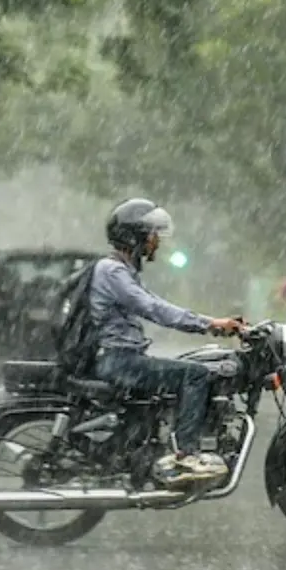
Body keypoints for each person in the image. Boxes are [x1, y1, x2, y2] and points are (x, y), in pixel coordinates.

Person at [87, 198, 245, 486]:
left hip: (120, 357)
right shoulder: (111, 271)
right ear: (133, 236)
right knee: (195, 374)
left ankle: (157, 448)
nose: (156, 242)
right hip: (118, 361)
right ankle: (186, 455)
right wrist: (207, 324)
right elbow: (152, 308)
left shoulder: (122, 270)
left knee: (186, 368)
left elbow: (154, 302)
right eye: (152, 235)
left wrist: (212, 323)